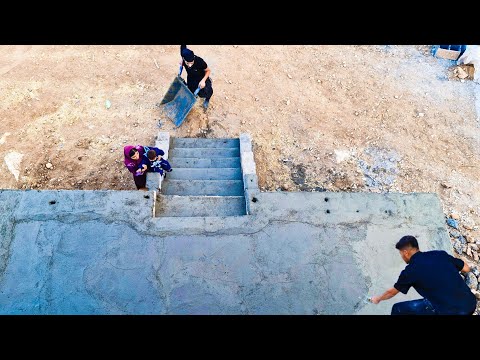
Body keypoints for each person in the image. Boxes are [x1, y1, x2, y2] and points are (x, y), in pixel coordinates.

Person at [370, 235, 477, 315]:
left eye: (401, 254)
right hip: (470, 304)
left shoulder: (410, 271)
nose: (402, 257)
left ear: (406, 252)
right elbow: (466, 268)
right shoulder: (439, 254)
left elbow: (391, 292)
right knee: (430, 301)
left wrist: (378, 299)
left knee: (397, 309)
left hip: (452, 312)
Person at [179, 45, 213, 110]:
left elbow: (208, 70)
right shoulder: (183, 54)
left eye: (191, 63)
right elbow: (183, 46)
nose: (189, 65)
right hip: (191, 78)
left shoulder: (200, 61)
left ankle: (207, 100)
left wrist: (203, 81)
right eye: (187, 63)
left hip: (201, 78)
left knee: (207, 92)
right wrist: (182, 62)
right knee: (191, 91)